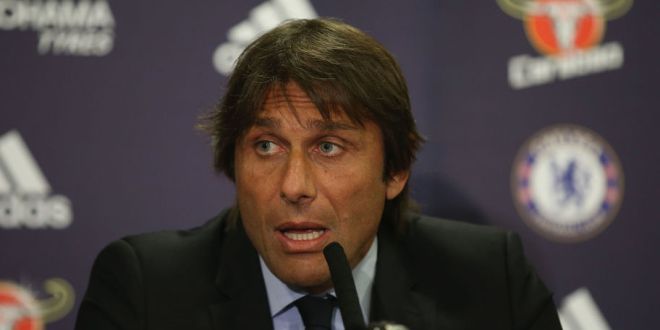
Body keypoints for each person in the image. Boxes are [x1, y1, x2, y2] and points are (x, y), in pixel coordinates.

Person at [75, 18, 562, 330]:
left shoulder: (489, 282)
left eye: (328, 146)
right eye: (266, 146)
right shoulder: (144, 292)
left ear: (394, 170)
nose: (294, 186)